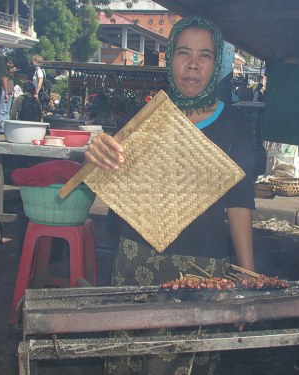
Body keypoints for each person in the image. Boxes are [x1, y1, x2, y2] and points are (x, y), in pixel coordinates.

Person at [84, 16, 255, 374]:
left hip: (202, 267)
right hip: (137, 259)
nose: (193, 64)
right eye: (184, 52)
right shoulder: (147, 116)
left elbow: (240, 204)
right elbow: (110, 174)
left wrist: (248, 279)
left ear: (217, 63)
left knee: (186, 364)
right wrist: (96, 150)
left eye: (205, 55)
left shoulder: (235, 126)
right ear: (169, 58)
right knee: (131, 359)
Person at [0, 57, 17, 134]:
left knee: (7, 111)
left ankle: (4, 127)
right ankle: (1, 128)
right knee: (3, 110)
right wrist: (7, 93)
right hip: (5, 91)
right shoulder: (5, 71)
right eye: (9, 63)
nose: (10, 64)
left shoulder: (10, 71)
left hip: (10, 91)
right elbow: (4, 81)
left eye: (11, 63)